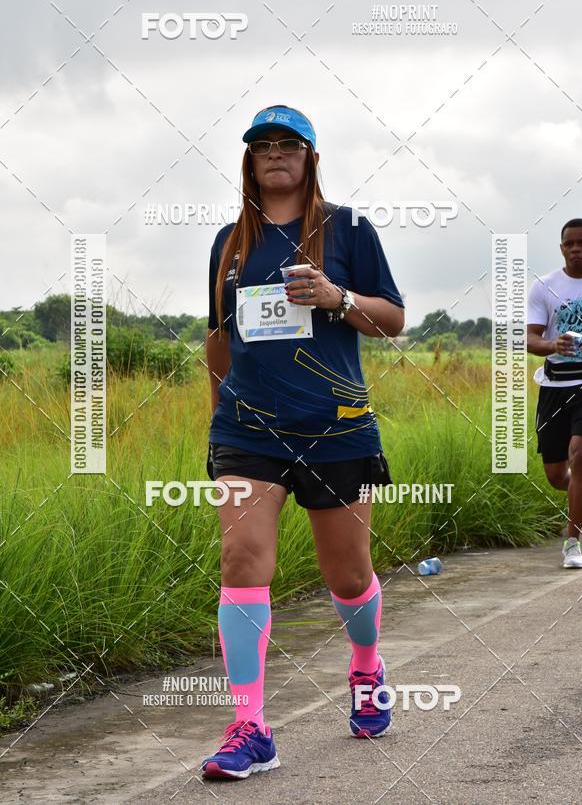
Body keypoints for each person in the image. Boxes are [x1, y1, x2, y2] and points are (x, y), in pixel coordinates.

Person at [200, 105, 405, 780]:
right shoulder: (229, 242)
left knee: (346, 576)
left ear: (310, 157)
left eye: (289, 144)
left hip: (335, 424)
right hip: (247, 430)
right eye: (263, 144)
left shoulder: (348, 229)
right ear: (250, 159)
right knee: (241, 558)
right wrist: (218, 419)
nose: (275, 153)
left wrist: (335, 296)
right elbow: (219, 340)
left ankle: (367, 665)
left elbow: (393, 320)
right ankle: (249, 726)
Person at [527, 218, 582, 569]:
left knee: (581, 455)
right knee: (558, 475)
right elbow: (530, 338)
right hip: (554, 386)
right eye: (569, 244)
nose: (575, 250)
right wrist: (551, 344)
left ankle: (572, 543)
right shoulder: (544, 286)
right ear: (561, 249)